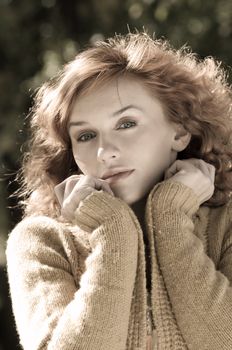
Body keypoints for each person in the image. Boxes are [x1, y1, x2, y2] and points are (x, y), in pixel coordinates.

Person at [6, 32, 232, 350]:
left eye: (126, 123)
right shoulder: (41, 242)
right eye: (85, 135)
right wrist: (113, 231)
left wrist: (170, 216)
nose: (104, 152)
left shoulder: (227, 225)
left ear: (180, 131)